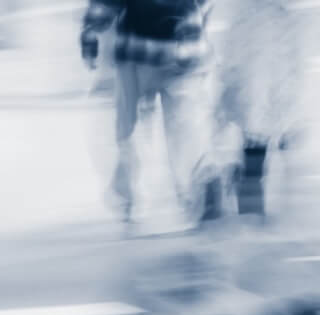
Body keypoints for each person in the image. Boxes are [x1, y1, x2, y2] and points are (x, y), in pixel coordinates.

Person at [81, 0, 223, 229]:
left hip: (138, 53)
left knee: (129, 130)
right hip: (182, 49)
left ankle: (126, 198)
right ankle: (194, 193)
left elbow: (104, 5)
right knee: (183, 127)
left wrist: (90, 34)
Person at [213, 0, 302, 217]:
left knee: (261, 153)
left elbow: (291, 63)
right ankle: (251, 210)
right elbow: (234, 61)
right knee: (256, 154)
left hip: (269, 100)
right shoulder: (259, 16)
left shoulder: (278, 17)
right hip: (257, 100)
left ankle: (249, 203)